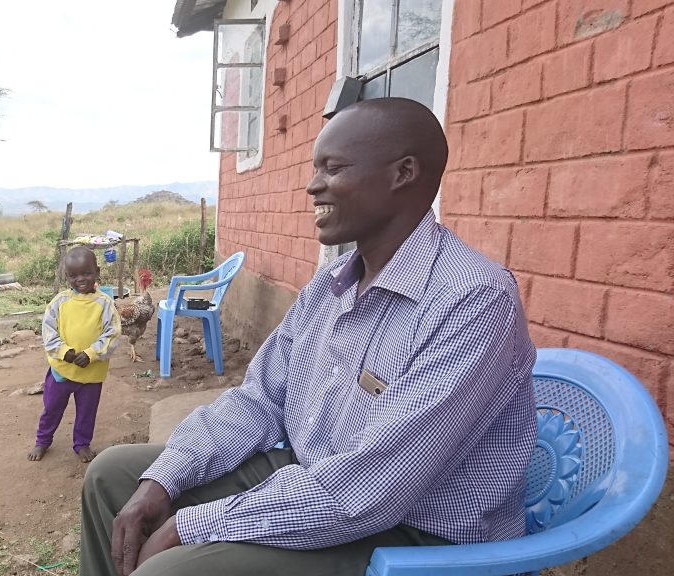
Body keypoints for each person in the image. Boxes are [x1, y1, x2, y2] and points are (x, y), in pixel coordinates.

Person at [80, 98, 537, 576]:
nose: (313, 185)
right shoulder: (331, 282)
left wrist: (188, 527)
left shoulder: (473, 300)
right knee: (113, 477)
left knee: (170, 570)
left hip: (414, 532)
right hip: (312, 474)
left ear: (403, 173)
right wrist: (166, 480)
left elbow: (368, 488)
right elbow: (258, 400)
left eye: (333, 168)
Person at [28, 246, 121, 463]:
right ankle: (43, 440)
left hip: (91, 374)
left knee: (86, 412)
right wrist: (64, 352)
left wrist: (91, 353)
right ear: (66, 276)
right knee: (51, 408)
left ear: (97, 272)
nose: (81, 279)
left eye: (87, 273)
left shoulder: (105, 304)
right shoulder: (59, 303)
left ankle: (82, 444)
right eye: (74, 275)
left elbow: (113, 334)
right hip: (62, 370)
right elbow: (49, 332)